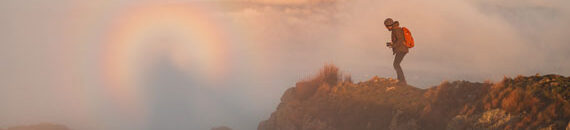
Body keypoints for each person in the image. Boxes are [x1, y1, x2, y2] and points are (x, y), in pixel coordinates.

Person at [384, 18, 409, 85]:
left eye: (386, 26)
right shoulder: (395, 29)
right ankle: (400, 80)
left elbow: (400, 40)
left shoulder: (396, 29)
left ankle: (402, 81)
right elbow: (399, 40)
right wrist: (392, 44)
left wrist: (393, 45)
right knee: (396, 64)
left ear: (388, 25)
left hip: (402, 49)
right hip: (402, 49)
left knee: (396, 64)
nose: (386, 28)